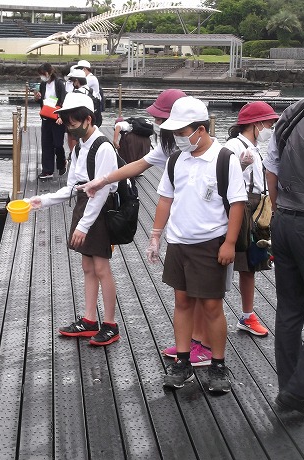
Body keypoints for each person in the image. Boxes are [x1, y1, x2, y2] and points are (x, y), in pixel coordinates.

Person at [78, 89, 213, 367]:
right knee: (185, 291)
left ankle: (204, 343)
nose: (161, 125)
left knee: (203, 293)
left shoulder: (203, 147)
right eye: (161, 120)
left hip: (208, 226)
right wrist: (101, 181)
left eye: (164, 118)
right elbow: (138, 166)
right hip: (182, 223)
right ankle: (192, 342)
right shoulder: (170, 146)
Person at [147, 96, 247, 393]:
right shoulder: (177, 159)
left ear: (200, 129)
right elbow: (166, 197)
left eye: (182, 132)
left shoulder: (224, 158)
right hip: (178, 241)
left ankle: (218, 363)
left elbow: (238, 204)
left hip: (209, 241)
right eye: (175, 133)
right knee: (182, 301)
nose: (178, 138)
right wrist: (155, 235)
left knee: (212, 305)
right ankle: (183, 361)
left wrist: (229, 243)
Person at [29, 92, 121, 347]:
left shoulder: (103, 146)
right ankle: (90, 320)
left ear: (88, 119)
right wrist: (43, 200)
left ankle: (111, 324)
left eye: (71, 122)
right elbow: (74, 187)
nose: (68, 126)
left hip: (99, 210)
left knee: (102, 268)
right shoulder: (80, 146)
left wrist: (83, 225)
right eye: (66, 121)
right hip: (84, 206)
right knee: (88, 268)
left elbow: (101, 191)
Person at [264, 88, 304, 418]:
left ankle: (291, 390)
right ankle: (299, 391)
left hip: (283, 219)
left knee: (289, 311)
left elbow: (271, 167)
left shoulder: (289, 113)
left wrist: (277, 210)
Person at [224, 101, 279, 337]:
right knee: (230, 262)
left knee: (251, 263)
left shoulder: (254, 146)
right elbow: (222, 177)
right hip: (241, 205)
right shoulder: (233, 146)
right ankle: (213, 312)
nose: (271, 128)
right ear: (256, 124)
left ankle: (246, 316)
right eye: (269, 123)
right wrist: (240, 165)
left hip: (256, 205)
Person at [34, 63, 67, 179]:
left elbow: (63, 100)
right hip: (46, 116)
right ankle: (47, 170)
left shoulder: (59, 84)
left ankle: (62, 162)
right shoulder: (43, 84)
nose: (42, 77)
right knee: (46, 144)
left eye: (43, 74)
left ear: (48, 73)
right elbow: (42, 101)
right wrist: (37, 98)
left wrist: (61, 116)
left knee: (58, 144)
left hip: (57, 117)